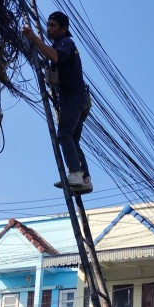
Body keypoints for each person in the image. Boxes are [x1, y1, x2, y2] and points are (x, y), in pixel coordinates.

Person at [23, 12, 92, 193]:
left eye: (53, 25)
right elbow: (50, 58)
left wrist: (34, 39)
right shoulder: (58, 45)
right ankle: (85, 180)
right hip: (80, 99)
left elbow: (55, 57)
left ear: (64, 29)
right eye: (49, 25)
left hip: (73, 97)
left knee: (63, 134)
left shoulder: (66, 43)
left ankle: (76, 174)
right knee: (73, 140)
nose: (49, 29)